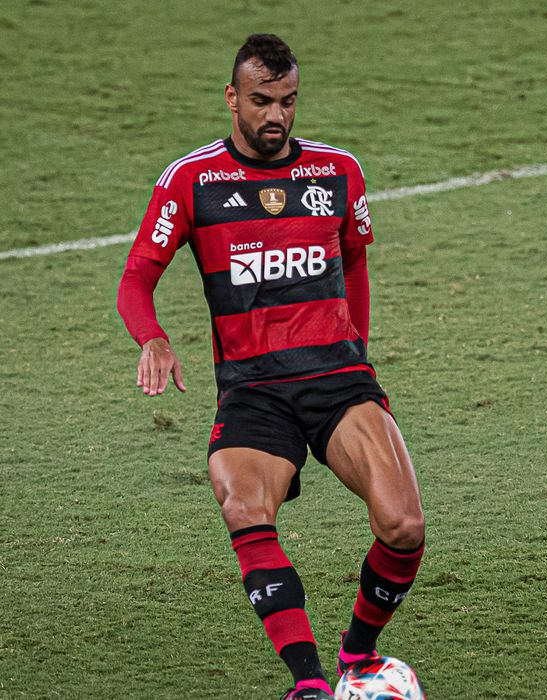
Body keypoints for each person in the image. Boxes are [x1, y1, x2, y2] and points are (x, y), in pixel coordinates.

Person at [116, 34, 425, 700]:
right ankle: (309, 683)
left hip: (337, 381)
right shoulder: (192, 180)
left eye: (287, 101)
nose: (276, 116)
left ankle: (359, 658)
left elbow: (354, 262)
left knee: (404, 527)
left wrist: (359, 353)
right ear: (233, 98)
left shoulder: (337, 172)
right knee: (241, 502)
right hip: (254, 392)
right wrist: (153, 338)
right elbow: (136, 278)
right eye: (261, 101)